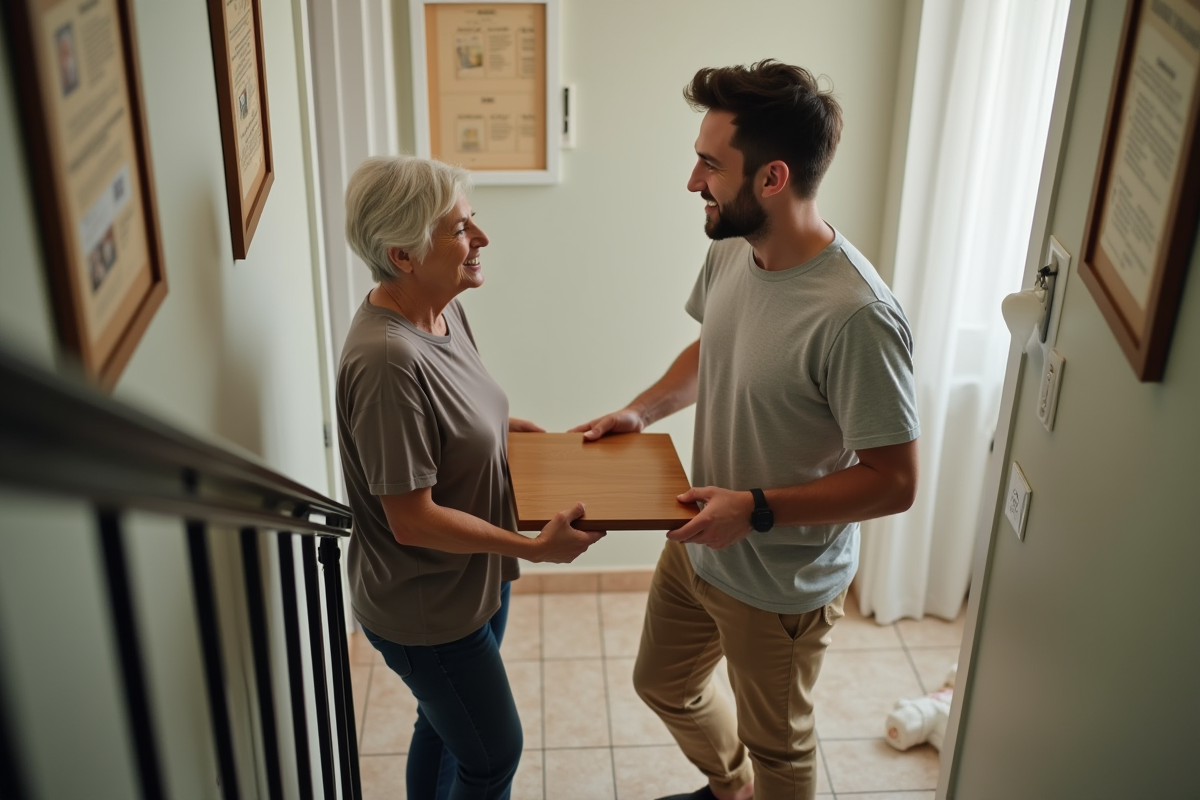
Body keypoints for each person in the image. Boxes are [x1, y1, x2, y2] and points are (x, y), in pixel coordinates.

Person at [572, 60, 920, 800]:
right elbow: (715, 345)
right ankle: (731, 792)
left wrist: (754, 508)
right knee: (662, 684)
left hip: (782, 583)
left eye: (708, 163)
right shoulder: (733, 243)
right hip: (702, 549)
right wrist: (642, 410)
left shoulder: (857, 316)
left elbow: (895, 483)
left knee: (782, 752)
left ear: (771, 178)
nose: (692, 181)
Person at [338, 155, 605, 800]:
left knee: (445, 726)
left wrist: (522, 434)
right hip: (428, 605)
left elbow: (459, 415)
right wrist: (535, 549)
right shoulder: (386, 361)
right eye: (459, 230)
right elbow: (411, 517)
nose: (479, 239)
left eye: (471, 222)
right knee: (492, 754)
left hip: (477, 574)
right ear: (403, 255)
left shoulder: (442, 308)